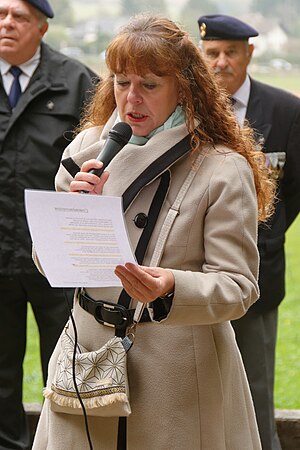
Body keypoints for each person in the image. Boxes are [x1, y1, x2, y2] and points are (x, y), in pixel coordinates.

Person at [32, 14, 275, 450]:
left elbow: (239, 288)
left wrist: (170, 287)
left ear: (184, 87)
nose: (131, 99)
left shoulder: (221, 168)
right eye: (122, 82)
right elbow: (47, 260)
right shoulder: (85, 149)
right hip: (86, 360)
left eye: (149, 84)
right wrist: (77, 215)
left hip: (177, 371)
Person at [198, 13, 300, 450]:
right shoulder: (188, 108)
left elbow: (293, 186)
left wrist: (269, 233)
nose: (221, 63)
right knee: (195, 379)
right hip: (193, 269)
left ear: (249, 54)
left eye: (230, 53)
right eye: (212, 54)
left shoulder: (285, 109)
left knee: (254, 380)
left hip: (259, 268)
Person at [0, 0, 98, 448]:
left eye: (18, 17)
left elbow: (107, 156)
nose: (7, 24)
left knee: (65, 367)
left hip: (55, 256)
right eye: (0, 15)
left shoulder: (77, 82)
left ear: (41, 27)